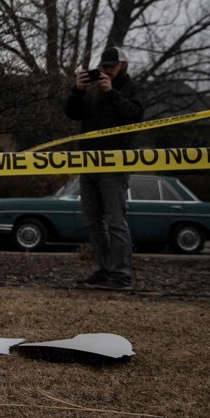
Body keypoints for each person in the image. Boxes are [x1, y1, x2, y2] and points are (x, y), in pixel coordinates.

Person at [64, 46, 145, 290]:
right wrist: (77, 90)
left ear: (123, 65)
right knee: (92, 220)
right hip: (88, 162)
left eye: (110, 67)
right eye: (103, 67)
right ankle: (103, 269)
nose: (106, 71)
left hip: (114, 164)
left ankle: (121, 274)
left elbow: (135, 115)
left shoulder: (131, 89)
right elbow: (72, 113)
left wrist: (112, 94)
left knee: (115, 221)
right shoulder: (91, 90)